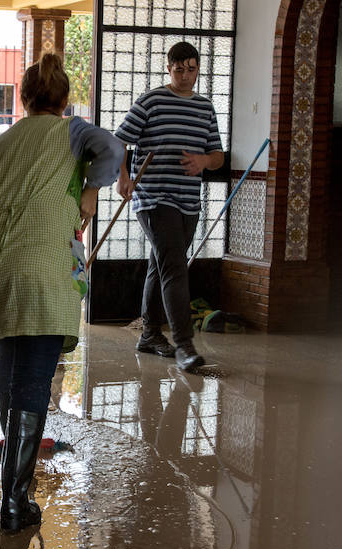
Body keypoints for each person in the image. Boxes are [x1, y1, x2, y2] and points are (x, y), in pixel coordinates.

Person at [0, 52, 123, 532]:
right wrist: (93, 190)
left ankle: (15, 485)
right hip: (39, 269)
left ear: (24, 98)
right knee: (32, 380)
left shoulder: (0, 143)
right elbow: (115, 151)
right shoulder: (72, 131)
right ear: (64, 100)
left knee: (10, 368)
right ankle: (14, 503)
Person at [114, 41, 224, 372]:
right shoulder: (151, 101)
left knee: (160, 264)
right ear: (168, 68)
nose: (187, 76)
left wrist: (204, 160)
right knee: (175, 266)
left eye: (192, 69)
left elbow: (217, 156)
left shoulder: (205, 108)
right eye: (180, 69)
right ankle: (185, 346)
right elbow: (119, 140)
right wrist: (123, 176)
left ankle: (149, 335)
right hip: (153, 196)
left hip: (188, 200)